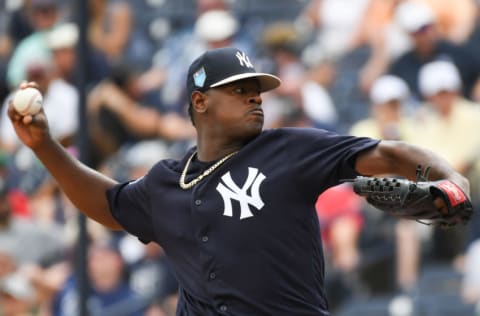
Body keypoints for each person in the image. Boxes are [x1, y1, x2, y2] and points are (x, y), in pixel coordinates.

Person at [7, 47, 470, 315]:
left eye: (257, 90)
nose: (255, 98)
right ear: (200, 102)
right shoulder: (166, 182)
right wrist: (44, 147)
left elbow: (385, 152)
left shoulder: (288, 149)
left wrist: (449, 180)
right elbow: (108, 204)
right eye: (239, 89)